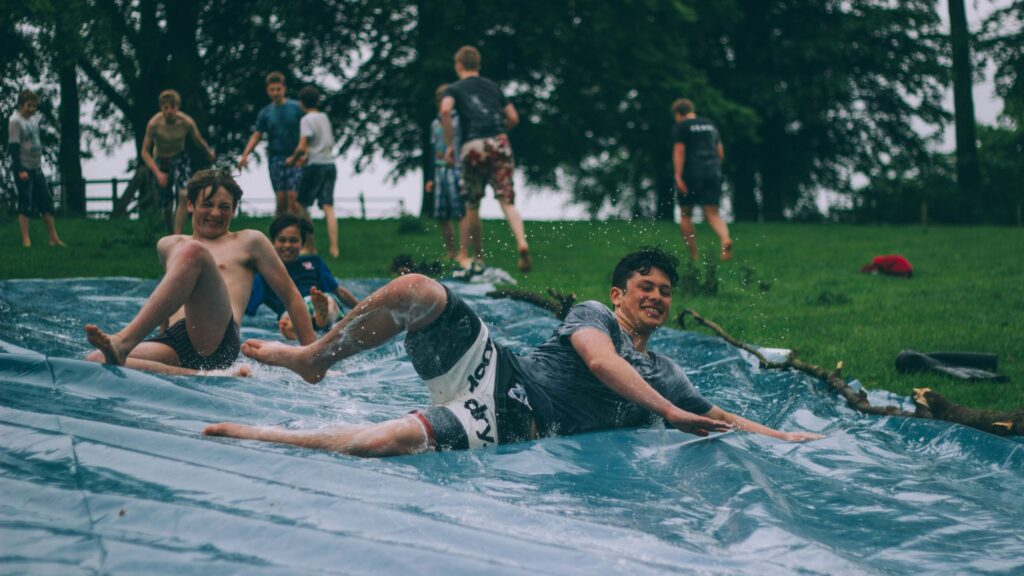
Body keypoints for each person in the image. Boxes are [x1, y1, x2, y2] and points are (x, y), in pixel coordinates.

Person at [204, 247, 823, 457]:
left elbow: (716, 415)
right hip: (498, 370)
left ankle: (265, 437)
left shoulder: (668, 371)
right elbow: (601, 362)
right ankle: (317, 355)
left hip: (518, 420)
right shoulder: (594, 314)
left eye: (665, 292)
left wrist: (781, 438)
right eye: (646, 289)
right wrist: (673, 412)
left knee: (381, 444)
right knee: (419, 289)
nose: (657, 299)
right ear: (619, 294)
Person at [84, 169, 316, 376]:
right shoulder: (168, 245)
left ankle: (123, 341)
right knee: (95, 360)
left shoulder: (249, 241)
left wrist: (312, 358)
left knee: (194, 251)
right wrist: (161, 335)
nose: (215, 213)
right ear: (190, 205)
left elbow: (291, 296)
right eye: (207, 204)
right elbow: (171, 296)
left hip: (217, 339)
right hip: (175, 339)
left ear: (234, 210)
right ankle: (203, 374)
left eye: (224, 207)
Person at [440, 45, 532, 275]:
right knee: (507, 200)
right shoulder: (493, 87)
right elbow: (512, 117)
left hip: (473, 144)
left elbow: (444, 111)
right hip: (498, 142)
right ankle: (521, 242)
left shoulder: (455, 88)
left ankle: (478, 257)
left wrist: (451, 145)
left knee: (472, 204)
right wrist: (503, 132)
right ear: (478, 65)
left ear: (459, 65)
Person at [246, 214, 359, 340]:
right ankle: (314, 323)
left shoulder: (314, 262)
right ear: (273, 242)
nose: (287, 245)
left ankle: (314, 321)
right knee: (290, 316)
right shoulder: (265, 273)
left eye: (293, 240)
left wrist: (360, 308)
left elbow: (338, 291)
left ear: (302, 243)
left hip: (317, 299)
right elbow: (248, 304)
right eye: (282, 240)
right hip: (290, 311)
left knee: (328, 302)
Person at [140, 89, 217, 235]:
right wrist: (158, 174)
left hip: (180, 158)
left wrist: (208, 152)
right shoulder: (154, 124)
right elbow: (144, 152)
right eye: (165, 108)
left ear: (177, 107)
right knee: (167, 205)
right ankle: (171, 236)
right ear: (161, 108)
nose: (169, 111)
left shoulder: (186, 122)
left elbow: (198, 140)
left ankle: (178, 234)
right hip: (161, 161)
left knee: (183, 194)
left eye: (172, 107)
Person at [671, 98, 733, 261]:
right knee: (712, 213)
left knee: (685, 213)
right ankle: (725, 238)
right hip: (713, 169)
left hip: (692, 170)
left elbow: (679, 150)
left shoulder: (681, 126)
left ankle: (694, 255)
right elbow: (720, 152)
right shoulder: (710, 124)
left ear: (678, 114)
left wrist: (678, 175)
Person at [237, 71, 304, 217]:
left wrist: (307, 152)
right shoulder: (265, 113)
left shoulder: (297, 108)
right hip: (276, 158)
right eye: (272, 90)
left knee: (293, 200)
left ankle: (300, 234)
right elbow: (257, 135)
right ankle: (278, 236)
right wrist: (245, 155)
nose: (275, 93)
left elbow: (308, 131)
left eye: (278, 89)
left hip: (296, 157)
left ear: (284, 89)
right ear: (268, 90)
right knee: (281, 201)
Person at [8, 90, 65, 249]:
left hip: (36, 167)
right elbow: (13, 147)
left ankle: (53, 238)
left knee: (46, 202)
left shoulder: (34, 120)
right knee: (25, 203)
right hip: (24, 168)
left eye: (34, 106)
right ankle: (26, 240)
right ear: (21, 104)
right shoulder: (15, 121)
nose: (31, 109)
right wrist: (20, 169)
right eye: (28, 105)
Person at [288, 85, 340, 258]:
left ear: (302, 103)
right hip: (330, 164)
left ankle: (310, 245)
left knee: (301, 205)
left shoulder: (306, 119)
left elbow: (302, 146)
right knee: (328, 206)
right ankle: (334, 248)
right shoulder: (324, 117)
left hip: (315, 166)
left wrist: (292, 160)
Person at [424, 84, 466, 261]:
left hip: (456, 168)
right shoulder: (435, 123)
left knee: (461, 211)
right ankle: (451, 251)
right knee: (442, 214)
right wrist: (431, 177)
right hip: (439, 169)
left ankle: (464, 252)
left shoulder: (460, 120)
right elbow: (434, 149)